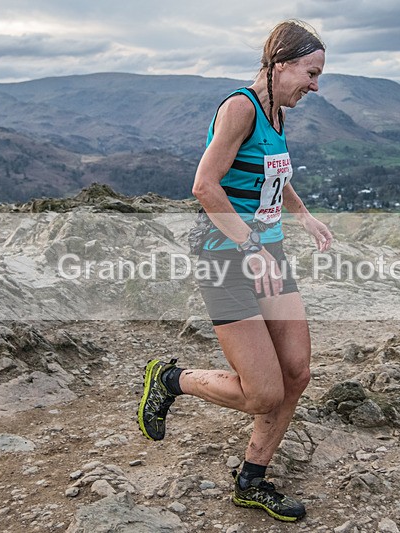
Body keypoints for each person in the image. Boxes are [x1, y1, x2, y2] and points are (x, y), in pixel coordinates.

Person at [138, 19, 332, 522]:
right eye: (311, 73)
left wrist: (303, 215)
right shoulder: (241, 107)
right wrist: (249, 245)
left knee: (297, 372)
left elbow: (274, 176)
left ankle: (252, 480)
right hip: (224, 256)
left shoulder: (277, 112)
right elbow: (205, 185)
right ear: (280, 64)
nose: (315, 86)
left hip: (267, 254)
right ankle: (171, 379)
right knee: (263, 391)